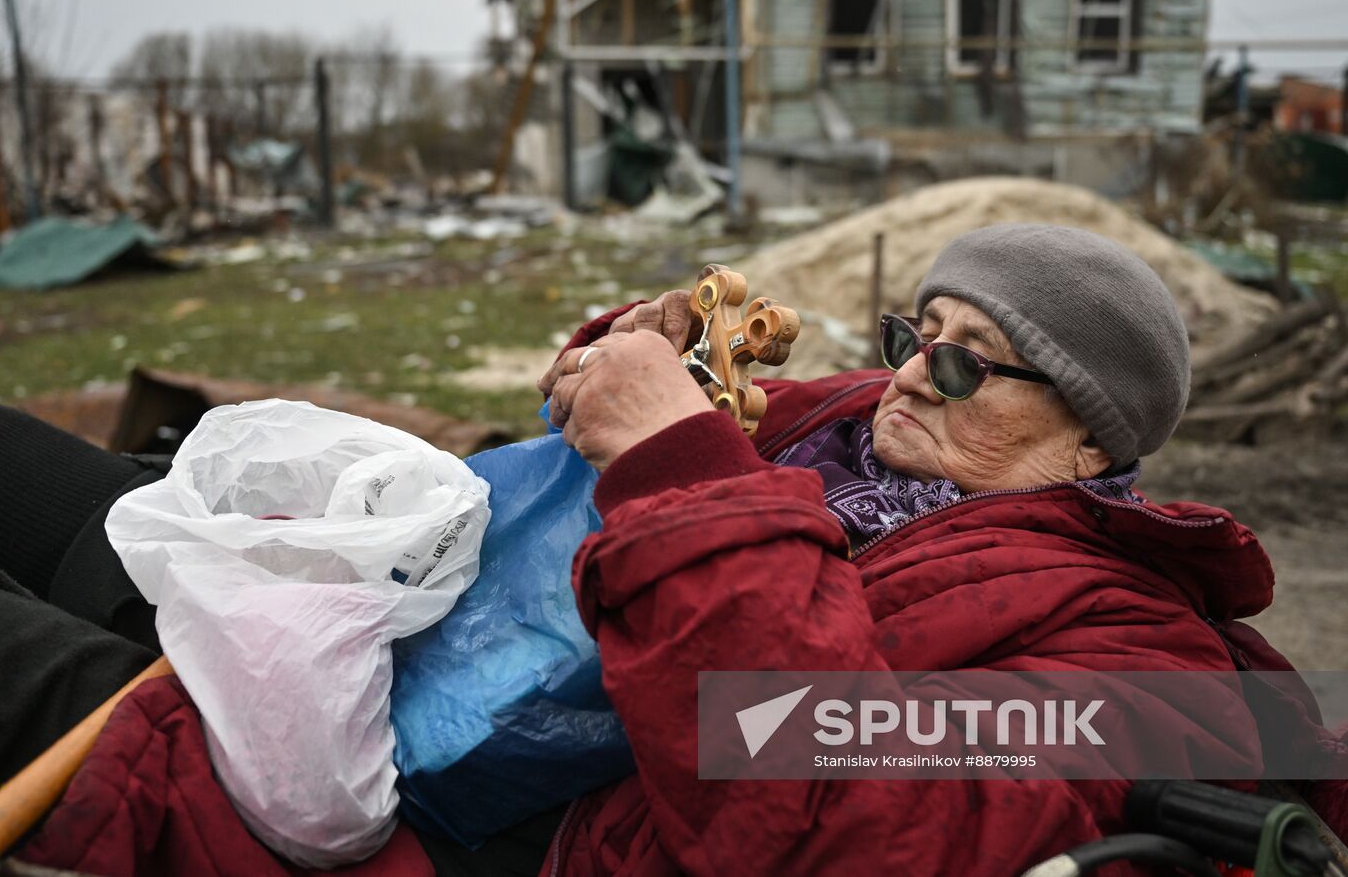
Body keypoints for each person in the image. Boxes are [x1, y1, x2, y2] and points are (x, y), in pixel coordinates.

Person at [531, 223, 1329, 875]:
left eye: (962, 364)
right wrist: (630, 355)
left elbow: (837, 825)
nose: (909, 377)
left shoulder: (1140, 650)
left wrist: (681, 470)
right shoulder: (848, 417)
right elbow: (668, 418)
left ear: (1090, 438)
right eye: (916, 336)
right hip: (529, 791)